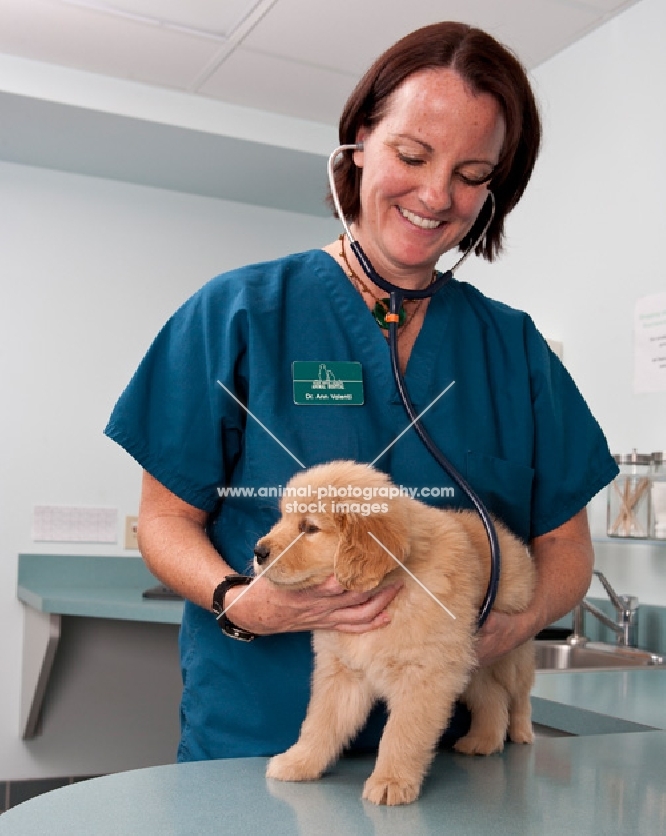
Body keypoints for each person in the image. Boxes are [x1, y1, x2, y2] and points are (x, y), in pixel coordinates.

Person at [105, 22, 618, 762]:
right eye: (412, 155)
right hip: (260, 747)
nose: (437, 194)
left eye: (472, 173)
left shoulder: (514, 350)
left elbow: (566, 542)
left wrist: (522, 617)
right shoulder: (239, 315)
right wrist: (240, 600)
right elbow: (162, 521)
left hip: (453, 773)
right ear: (358, 144)